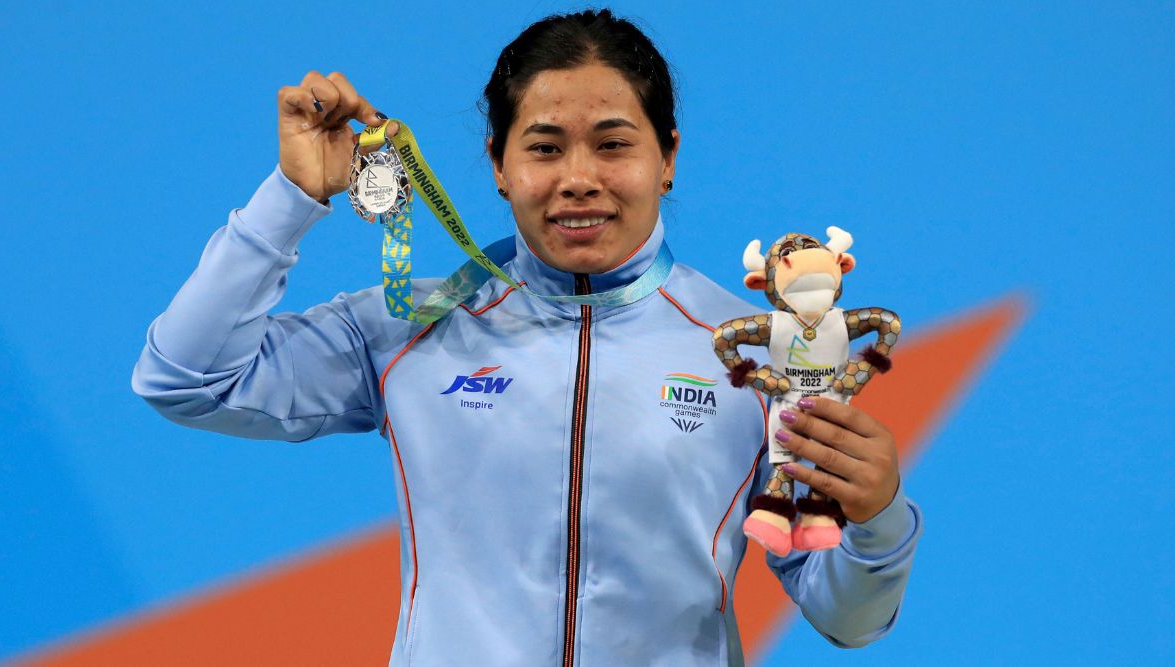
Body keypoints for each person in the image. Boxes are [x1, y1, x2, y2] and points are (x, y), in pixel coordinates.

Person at [132, 9, 921, 666]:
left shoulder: (748, 355)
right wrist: (293, 195)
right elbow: (186, 376)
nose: (579, 176)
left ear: (668, 157)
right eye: (544, 147)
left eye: (614, 143)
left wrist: (881, 517)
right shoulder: (416, 323)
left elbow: (848, 616)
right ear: (499, 165)